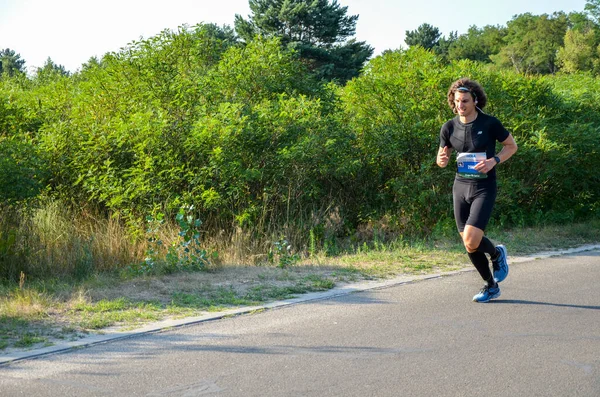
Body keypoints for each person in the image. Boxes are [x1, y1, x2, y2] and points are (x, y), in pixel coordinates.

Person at [436, 78, 518, 302]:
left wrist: (495, 161)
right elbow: (442, 158)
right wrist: (442, 159)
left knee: (472, 239)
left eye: (464, 101)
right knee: (468, 243)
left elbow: (511, 146)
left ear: (475, 101)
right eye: (456, 101)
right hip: (460, 186)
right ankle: (491, 284)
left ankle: (496, 254)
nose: (460, 105)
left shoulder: (490, 123)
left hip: (484, 186)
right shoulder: (449, 127)